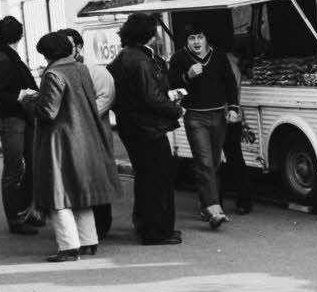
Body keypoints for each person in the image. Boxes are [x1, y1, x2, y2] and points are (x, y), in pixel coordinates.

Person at [22, 32, 122, 262]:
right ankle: (89, 241)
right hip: (84, 137)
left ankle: (68, 247)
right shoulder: (81, 69)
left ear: (48, 53)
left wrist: (29, 100)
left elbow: (47, 111)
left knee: (58, 194)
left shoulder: (53, 73)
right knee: (79, 194)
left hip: (59, 141)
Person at [108, 13, 183, 246]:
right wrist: (175, 109)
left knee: (145, 178)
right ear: (148, 35)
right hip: (149, 128)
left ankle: (145, 225)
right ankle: (157, 231)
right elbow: (151, 97)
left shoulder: (121, 59)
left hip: (130, 126)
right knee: (159, 180)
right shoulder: (141, 61)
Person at [167, 22, 239, 230]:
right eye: (191, 38)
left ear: (206, 38)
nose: (196, 42)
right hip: (195, 117)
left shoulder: (218, 57)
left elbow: (230, 83)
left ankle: (206, 203)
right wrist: (187, 76)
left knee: (214, 162)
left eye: (199, 37)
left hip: (218, 115)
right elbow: (171, 85)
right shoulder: (179, 58)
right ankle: (214, 211)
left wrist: (233, 108)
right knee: (204, 162)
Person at [0, 15, 42, 235]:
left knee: (29, 165)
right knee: (14, 170)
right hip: (11, 119)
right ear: (20, 35)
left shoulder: (5, 54)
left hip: (19, 118)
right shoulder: (2, 58)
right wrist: (20, 96)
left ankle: (25, 212)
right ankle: (16, 219)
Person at [59, 28, 116, 239]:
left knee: (97, 178)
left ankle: (101, 226)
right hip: (72, 135)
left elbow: (106, 96)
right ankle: (83, 227)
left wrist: (81, 115)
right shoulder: (60, 69)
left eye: (69, 46)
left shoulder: (95, 71)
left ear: (80, 47)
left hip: (96, 133)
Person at [221, 45, 253, 215]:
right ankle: (244, 201)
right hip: (233, 115)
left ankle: (241, 200)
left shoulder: (224, 64)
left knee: (221, 159)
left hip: (224, 115)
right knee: (235, 158)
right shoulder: (234, 65)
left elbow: (228, 92)